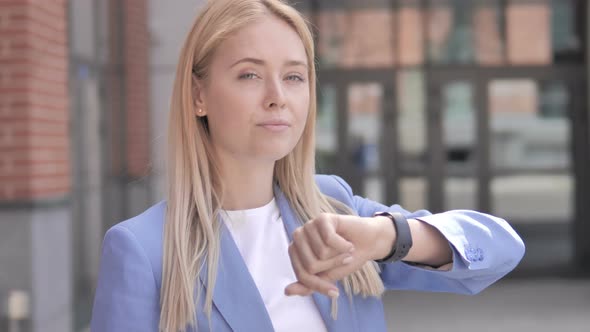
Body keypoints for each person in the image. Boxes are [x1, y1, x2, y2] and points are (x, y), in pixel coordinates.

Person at [90, 0, 525, 331]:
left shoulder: (334, 208)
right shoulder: (143, 250)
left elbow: (502, 248)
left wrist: (386, 236)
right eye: (250, 75)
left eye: (294, 76)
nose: (277, 95)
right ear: (198, 95)